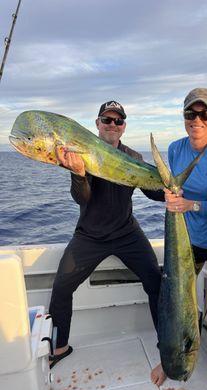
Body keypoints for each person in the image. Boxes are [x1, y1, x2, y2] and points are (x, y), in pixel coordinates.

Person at [49, 100, 162, 368]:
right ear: (97, 124)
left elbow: (151, 191)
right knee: (61, 288)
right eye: (107, 120)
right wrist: (78, 174)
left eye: (118, 121)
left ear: (123, 127)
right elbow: (82, 198)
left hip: (127, 232)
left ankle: (165, 343)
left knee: (157, 283)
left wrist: (170, 191)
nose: (113, 125)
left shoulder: (133, 157)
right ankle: (60, 346)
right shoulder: (82, 152)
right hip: (89, 236)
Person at [151, 88, 207, 390]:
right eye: (190, 114)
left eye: (204, 114)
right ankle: (166, 359)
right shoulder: (174, 149)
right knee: (170, 302)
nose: (197, 120)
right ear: (184, 118)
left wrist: (191, 205)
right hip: (184, 240)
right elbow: (172, 189)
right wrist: (170, 198)